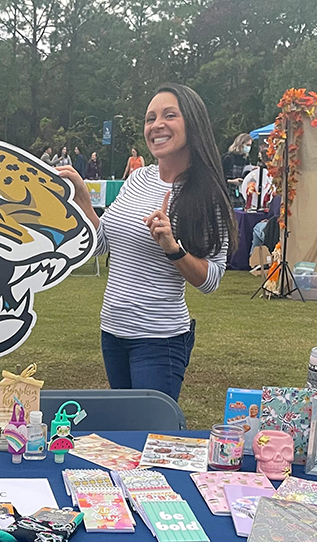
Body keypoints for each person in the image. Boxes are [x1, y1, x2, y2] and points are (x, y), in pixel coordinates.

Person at [59, 83, 237, 401]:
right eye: (150, 118)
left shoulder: (208, 193)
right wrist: (84, 200)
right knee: (126, 433)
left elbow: (210, 279)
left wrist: (172, 247)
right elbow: (102, 244)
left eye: (169, 115)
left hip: (158, 341)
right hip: (112, 332)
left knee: (151, 435)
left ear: (192, 123)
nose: (157, 125)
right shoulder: (139, 178)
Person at [222, 133, 252, 208]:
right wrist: (232, 181)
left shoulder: (246, 159)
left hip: (241, 193)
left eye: (250, 145)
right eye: (247, 145)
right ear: (240, 144)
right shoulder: (228, 158)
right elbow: (219, 177)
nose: (249, 148)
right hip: (228, 192)